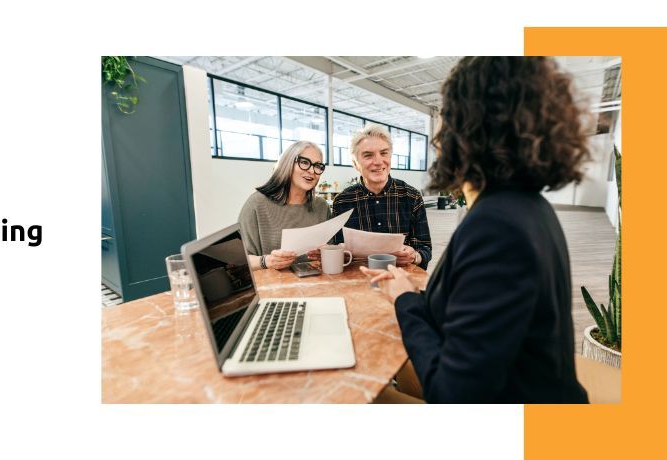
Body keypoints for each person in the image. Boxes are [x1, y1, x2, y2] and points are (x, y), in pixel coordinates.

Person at [363, 57, 590, 403]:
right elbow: (471, 312)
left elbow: (453, 395)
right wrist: (411, 292)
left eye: (445, 118)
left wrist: (405, 300)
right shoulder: (524, 206)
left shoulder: (497, 227)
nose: (438, 137)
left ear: (467, 127)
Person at [332, 125, 431, 269]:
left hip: (401, 281)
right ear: (355, 163)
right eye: (368, 155)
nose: (378, 162)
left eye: (384, 153)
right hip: (358, 282)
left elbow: (425, 249)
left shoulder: (411, 196)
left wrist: (414, 256)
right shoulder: (342, 202)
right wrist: (341, 252)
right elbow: (337, 251)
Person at [239, 140, 330, 271]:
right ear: (287, 163)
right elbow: (238, 262)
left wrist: (325, 254)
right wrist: (267, 261)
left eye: (318, 166)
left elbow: (330, 249)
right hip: (273, 287)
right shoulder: (257, 204)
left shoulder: (322, 207)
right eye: (304, 162)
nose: (312, 171)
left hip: (316, 285)